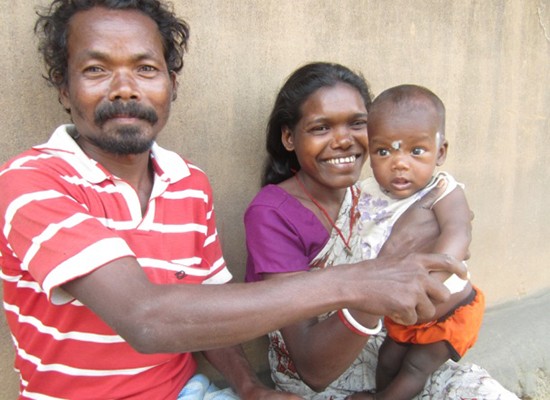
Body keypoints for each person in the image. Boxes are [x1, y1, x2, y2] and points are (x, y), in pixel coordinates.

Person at [0, 2, 467, 400]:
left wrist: (248, 388)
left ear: (171, 84)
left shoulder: (189, 183)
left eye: (146, 68)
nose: (125, 87)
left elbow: (210, 305)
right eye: (96, 69)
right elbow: (146, 319)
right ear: (64, 88)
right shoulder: (30, 182)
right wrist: (360, 282)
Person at [245, 63, 519, 399]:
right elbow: (314, 370)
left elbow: (452, 244)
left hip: (398, 359)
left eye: (357, 124)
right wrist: (389, 263)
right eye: (321, 127)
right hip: (324, 384)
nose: (344, 140)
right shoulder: (272, 213)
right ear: (289, 136)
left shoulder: (385, 195)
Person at [353, 84, 484, 400]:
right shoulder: (365, 193)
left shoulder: (442, 190)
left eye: (416, 151)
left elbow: (458, 234)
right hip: (402, 311)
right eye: (384, 151)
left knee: (415, 368)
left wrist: (429, 283)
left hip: (448, 309)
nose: (399, 163)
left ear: (440, 152)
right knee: (387, 361)